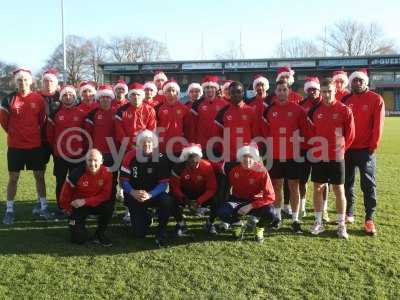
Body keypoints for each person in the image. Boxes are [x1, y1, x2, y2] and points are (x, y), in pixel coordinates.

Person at [307, 78, 355, 239]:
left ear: (335, 91)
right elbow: (310, 132)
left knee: (338, 189)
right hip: (319, 155)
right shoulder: (315, 110)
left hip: (337, 156)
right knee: (318, 188)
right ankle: (318, 222)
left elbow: (350, 135)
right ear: (321, 91)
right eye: (324, 91)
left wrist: (340, 149)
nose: (327, 94)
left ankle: (341, 225)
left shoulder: (344, 109)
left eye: (330, 91)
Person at [0, 68, 49, 224]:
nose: (23, 83)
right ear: (16, 82)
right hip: (15, 146)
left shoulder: (38, 99)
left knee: (39, 176)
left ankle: (44, 206)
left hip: (34, 144)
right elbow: (4, 121)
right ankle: (9, 210)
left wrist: (32, 132)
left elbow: (43, 120)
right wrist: (15, 133)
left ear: (31, 81)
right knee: (13, 178)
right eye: (20, 80)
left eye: (26, 80)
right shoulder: (8, 99)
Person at [261, 80, 309, 233]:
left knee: (293, 186)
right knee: (276, 186)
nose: (281, 92)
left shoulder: (298, 109)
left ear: (289, 91)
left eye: (284, 89)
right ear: (275, 92)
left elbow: (305, 131)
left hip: (293, 155)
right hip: (275, 155)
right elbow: (264, 131)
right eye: (279, 90)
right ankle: (277, 217)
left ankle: (295, 219)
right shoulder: (269, 110)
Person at [342, 69, 385, 235]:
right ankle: (349, 212)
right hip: (348, 149)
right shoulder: (346, 99)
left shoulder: (376, 99)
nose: (357, 83)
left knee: (368, 184)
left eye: (360, 80)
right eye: (354, 80)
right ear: (351, 83)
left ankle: (369, 218)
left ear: (365, 82)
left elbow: (378, 125)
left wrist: (373, 146)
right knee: (347, 183)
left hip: (366, 150)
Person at [119, 130, 173, 247]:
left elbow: (163, 184)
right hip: (135, 195)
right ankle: (147, 217)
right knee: (139, 234)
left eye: (149, 142)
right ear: (139, 143)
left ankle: (162, 229)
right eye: (144, 142)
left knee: (167, 200)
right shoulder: (129, 156)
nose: (147, 145)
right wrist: (133, 192)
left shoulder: (161, 158)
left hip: (154, 194)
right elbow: (123, 181)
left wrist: (150, 194)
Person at [217, 143, 279, 243]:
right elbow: (218, 170)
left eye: (250, 157)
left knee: (271, 213)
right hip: (238, 201)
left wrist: (251, 206)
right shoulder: (233, 170)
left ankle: (259, 228)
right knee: (221, 211)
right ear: (240, 158)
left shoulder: (262, 171)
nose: (247, 160)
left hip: (255, 202)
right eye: (244, 157)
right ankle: (237, 224)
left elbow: (271, 197)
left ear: (255, 158)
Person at [59, 149, 114, 246]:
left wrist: (85, 201)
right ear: (86, 161)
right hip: (79, 206)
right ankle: (75, 226)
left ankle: (100, 233)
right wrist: (68, 210)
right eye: (90, 160)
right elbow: (65, 194)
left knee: (109, 206)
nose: (92, 163)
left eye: (95, 160)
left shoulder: (107, 172)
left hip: (94, 203)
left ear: (101, 161)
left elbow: (105, 195)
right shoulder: (76, 174)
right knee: (77, 239)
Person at [47, 85, 86, 217]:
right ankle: (61, 207)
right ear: (61, 97)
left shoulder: (81, 113)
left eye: (70, 95)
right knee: (61, 181)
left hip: (77, 154)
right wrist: (57, 148)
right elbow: (50, 134)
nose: (68, 97)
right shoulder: (55, 113)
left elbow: (86, 134)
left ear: (74, 97)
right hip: (60, 155)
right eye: (65, 95)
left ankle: (76, 206)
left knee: (76, 181)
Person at [170, 143, 218, 235]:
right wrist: (185, 199)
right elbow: (174, 187)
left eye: (196, 160)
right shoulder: (178, 167)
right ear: (186, 159)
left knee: (217, 199)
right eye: (191, 160)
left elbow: (212, 188)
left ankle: (210, 223)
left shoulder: (207, 166)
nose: (194, 163)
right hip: (185, 193)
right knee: (170, 198)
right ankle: (181, 223)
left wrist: (199, 201)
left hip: (202, 193)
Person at [298, 77, 328, 220]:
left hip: (320, 149)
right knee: (302, 180)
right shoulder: (301, 105)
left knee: (322, 182)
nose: (312, 92)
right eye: (309, 89)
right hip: (303, 148)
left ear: (319, 90)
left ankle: (324, 209)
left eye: (314, 89)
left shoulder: (325, 105)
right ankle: (302, 207)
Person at [84, 85, 118, 202]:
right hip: (97, 155)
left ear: (111, 98)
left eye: (107, 97)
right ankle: (96, 205)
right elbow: (87, 135)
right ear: (98, 98)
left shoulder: (117, 113)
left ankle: (111, 206)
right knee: (96, 182)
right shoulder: (92, 114)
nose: (105, 99)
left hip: (113, 153)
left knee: (112, 181)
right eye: (102, 97)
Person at [215, 81, 257, 162]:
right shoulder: (222, 112)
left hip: (247, 156)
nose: (236, 94)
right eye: (233, 92)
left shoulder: (250, 111)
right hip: (229, 156)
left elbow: (255, 135)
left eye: (238, 92)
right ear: (229, 94)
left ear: (243, 93)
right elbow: (217, 135)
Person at [191, 75, 228, 157]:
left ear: (216, 88)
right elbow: (193, 125)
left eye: (212, 87)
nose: (209, 89)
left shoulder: (224, 104)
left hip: (219, 144)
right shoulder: (197, 104)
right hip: (202, 144)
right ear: (203, 89)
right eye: (207, 87)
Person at [115, 82, 157, 151]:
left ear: (142, 96)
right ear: (129, 96)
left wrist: (144, 146)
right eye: (133, 94)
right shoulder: (121, 111)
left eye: (138, 94)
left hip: (144, 147)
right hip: (126, 149)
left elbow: (151, 130)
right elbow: (120, 133)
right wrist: (130, 146)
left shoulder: (150, 110)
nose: (136, 97)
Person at [156, 80, 191, 156]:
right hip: (162, 146)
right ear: (164, 93)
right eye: (168, 90)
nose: (171, 93)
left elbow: (188, 128)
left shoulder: (184, 108)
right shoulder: (158, 108)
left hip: (179, 146)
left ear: (177, 93)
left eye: (173, 90)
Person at [40, 69, 61, 168]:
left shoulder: (63, 96)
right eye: (46, 81)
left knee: (60, 170)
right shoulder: (36, 96)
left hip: (59, 139)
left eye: (51, 81)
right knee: (40, 171)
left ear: (56, 83)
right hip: (41, 140)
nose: (48, 83)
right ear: (42, 82)